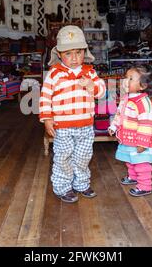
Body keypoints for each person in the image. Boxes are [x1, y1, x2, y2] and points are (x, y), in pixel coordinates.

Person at [39, 25, 106, 203]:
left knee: (83, 157)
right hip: (63, 128)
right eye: (68, 53)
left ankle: (82, 184)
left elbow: (101, 92)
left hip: (85, 126)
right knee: (63, 157)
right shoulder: (54, 74)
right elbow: (45, 97)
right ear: (59, 54)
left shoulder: (89, 72)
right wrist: (47, 119)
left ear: (85, 52)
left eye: (78, 52)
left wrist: (92, 86)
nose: (74, 58)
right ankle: (63, 187)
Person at [108, 66, 152, 197]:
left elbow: (147, 124)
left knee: (141, 164)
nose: (126, 80)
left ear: (142, 86)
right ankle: (133, 177)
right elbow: (119, 115)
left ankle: (145, 186)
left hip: (139, 141)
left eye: (130, 79)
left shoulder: (143, 103)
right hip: (128, 138)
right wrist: (113, 127)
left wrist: (142, 143)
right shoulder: (126, 98)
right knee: (130, 160)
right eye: (126, 77)